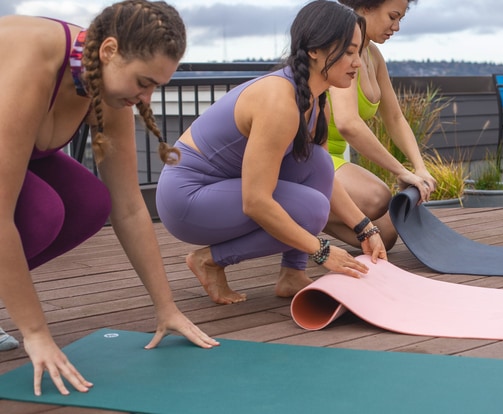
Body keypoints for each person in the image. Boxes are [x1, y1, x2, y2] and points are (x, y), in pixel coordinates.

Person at [0, 0, 220, 396]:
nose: (147, 98)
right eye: (143, 82)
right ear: (109, 52)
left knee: (90, 202)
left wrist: (165, 307)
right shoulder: (32, 63)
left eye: (157, 86)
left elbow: (130, 206)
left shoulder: (102, 83)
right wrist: (35, 333)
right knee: (42, 212)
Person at [155, 0, 386, 306]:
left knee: (317, 162)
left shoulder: (315, 100)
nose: (357, 62)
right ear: (315, 50)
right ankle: (210, 260)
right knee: (312, 209)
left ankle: (292, 273)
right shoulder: (280, 102)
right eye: (347, 51)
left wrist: (364, 227)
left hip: (221, 187)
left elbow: (323, 177)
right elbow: (256, 202)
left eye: (358, 51)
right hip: (187, 197)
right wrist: (322, 251)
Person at [323, 0, 434, 251]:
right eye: (392, 16)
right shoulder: (340, 49)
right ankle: (292, 213)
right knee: (377, 197)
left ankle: (309, 224)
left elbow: (394, 117)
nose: (396, 27)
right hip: (308, 158)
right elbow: (348, 123)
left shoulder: (372, 54)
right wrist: (400, 172)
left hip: (334, 157)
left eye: (400, 20)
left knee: (385, 235)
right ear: (365, 8)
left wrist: (419, 168)